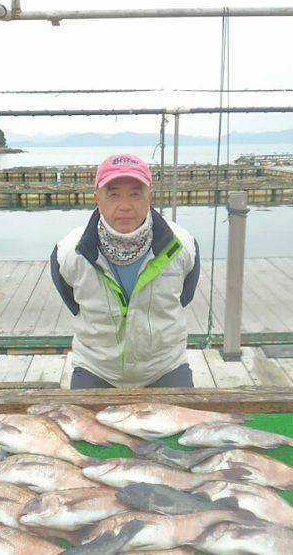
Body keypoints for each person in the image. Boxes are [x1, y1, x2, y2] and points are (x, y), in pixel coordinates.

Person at [51, 153, 200, 389]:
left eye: (135, 193)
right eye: (113, 194)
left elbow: (184, 296)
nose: (125, 205)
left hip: (165, 367)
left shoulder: (182, 247)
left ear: (150, 196)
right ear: (97, 198)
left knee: (185, 427)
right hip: (96, 368)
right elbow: (72, 300)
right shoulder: (69, 252)